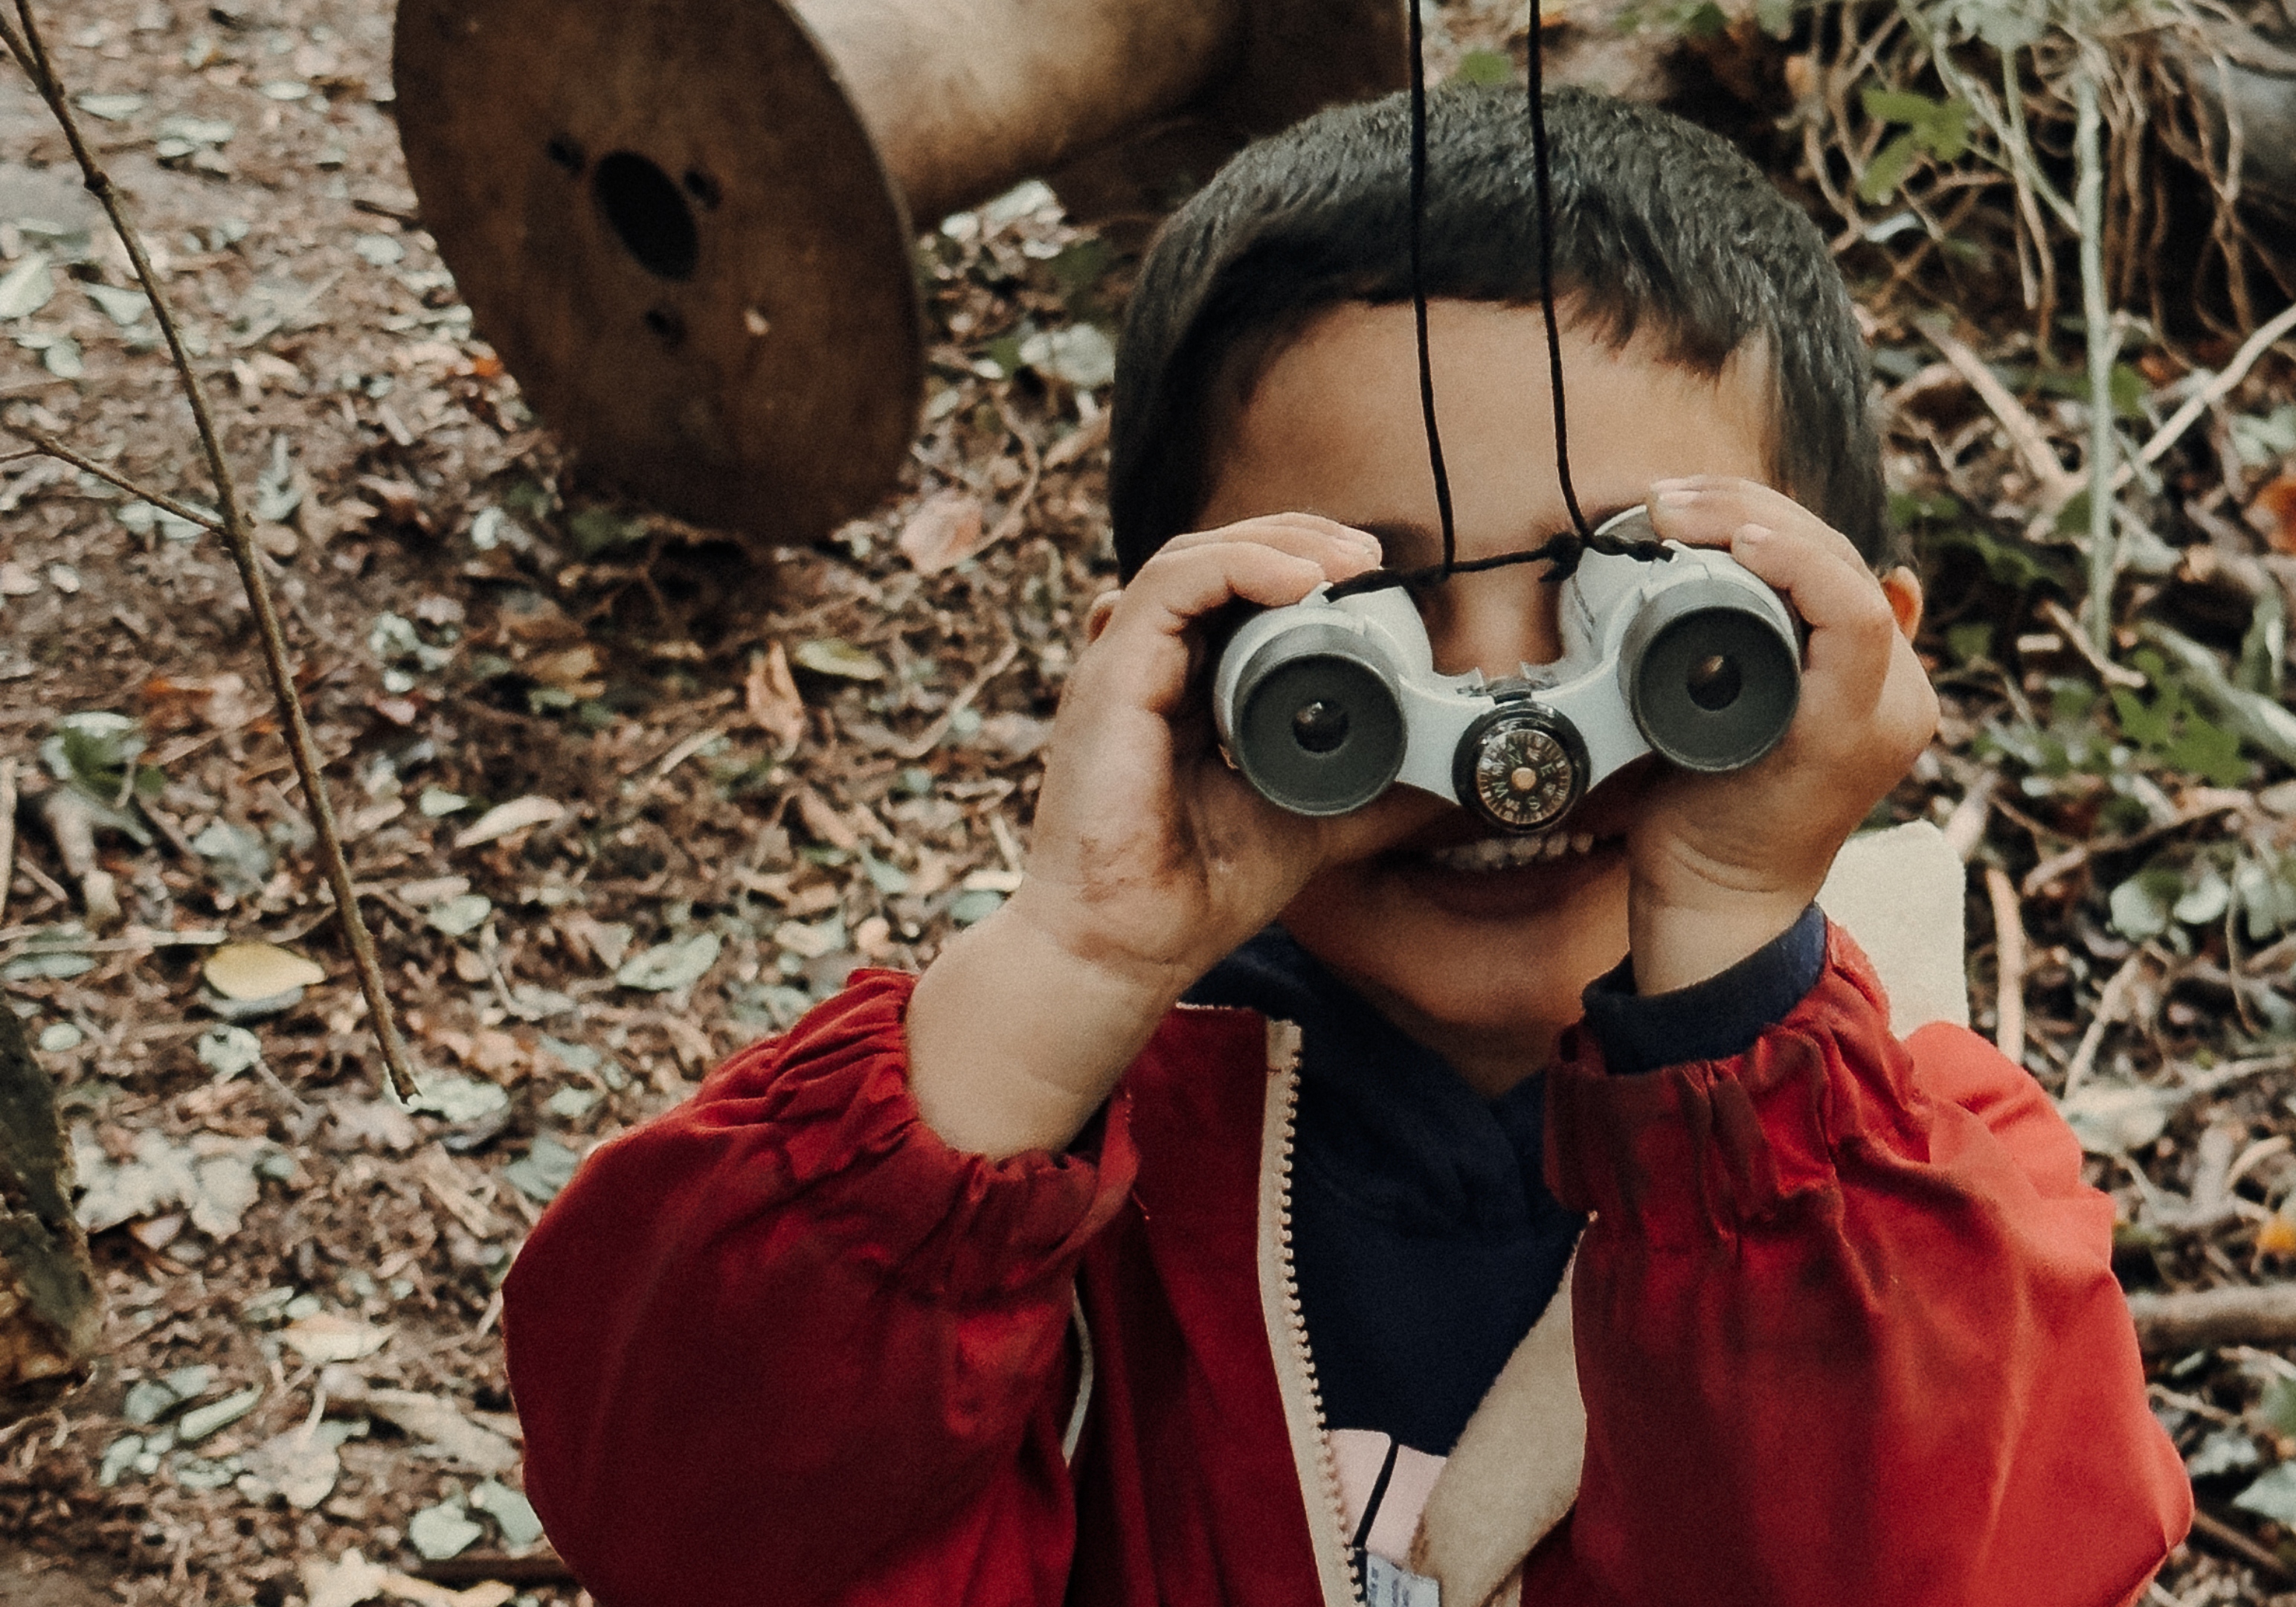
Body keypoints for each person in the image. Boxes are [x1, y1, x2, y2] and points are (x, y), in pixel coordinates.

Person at [501, 86, 2192, 1607]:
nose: (1510, 753)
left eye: (1657, 632)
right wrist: (1069, 963)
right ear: (1164, 677)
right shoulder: (1032, 1176)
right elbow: (684, 1522)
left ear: (1857, 663)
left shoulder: (1933, 1180)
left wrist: (1738, 978)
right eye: (1356, 643)